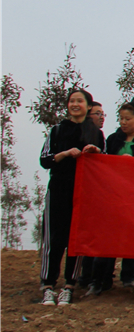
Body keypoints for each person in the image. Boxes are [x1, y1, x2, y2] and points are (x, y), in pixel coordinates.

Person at [38, 89, 105, 306]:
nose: (75, 104)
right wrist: (66, 153)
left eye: (80, 101)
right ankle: (48, 285)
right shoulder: (57, 130)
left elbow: (105, 163)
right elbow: (45, 160)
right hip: (58, 189)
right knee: (53, 239)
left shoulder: (96, 132)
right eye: (71, 101)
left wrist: (95, 152)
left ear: (88, 106)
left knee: (75, 239)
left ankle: (69, 286)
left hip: (83, 191)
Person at [93, 102, 134, 299]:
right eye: (121, 119)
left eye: (128, 119)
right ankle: (100, 282)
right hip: (113, 196)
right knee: (106, 241)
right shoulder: (112, 139)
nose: (124, 123)